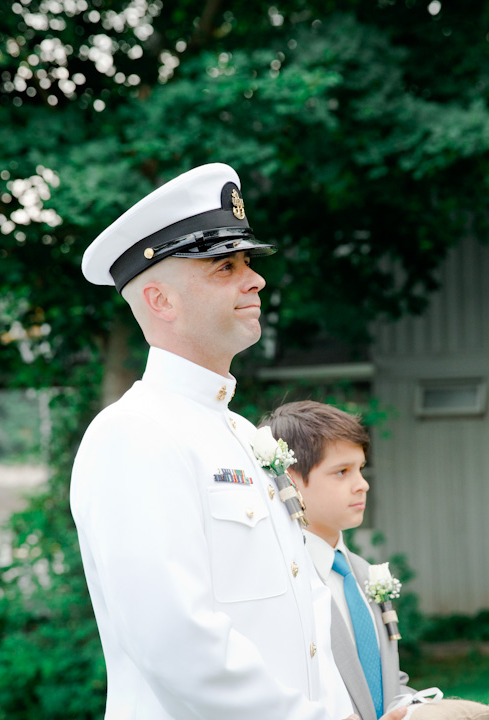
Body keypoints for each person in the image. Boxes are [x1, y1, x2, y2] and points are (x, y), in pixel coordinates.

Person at [70, 163, 408, 720]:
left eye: (249, 263)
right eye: (225, 266)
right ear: (160, 301)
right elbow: (178, 645)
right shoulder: (134, 434)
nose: (256, 280)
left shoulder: (243, 436)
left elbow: (305, 623)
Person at [263, 401, 415, 720]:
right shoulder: (277, 580)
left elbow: (388, 679)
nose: (362, 484)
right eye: (342, 472)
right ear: (289, 479)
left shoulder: (362, 572)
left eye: (361, 468)